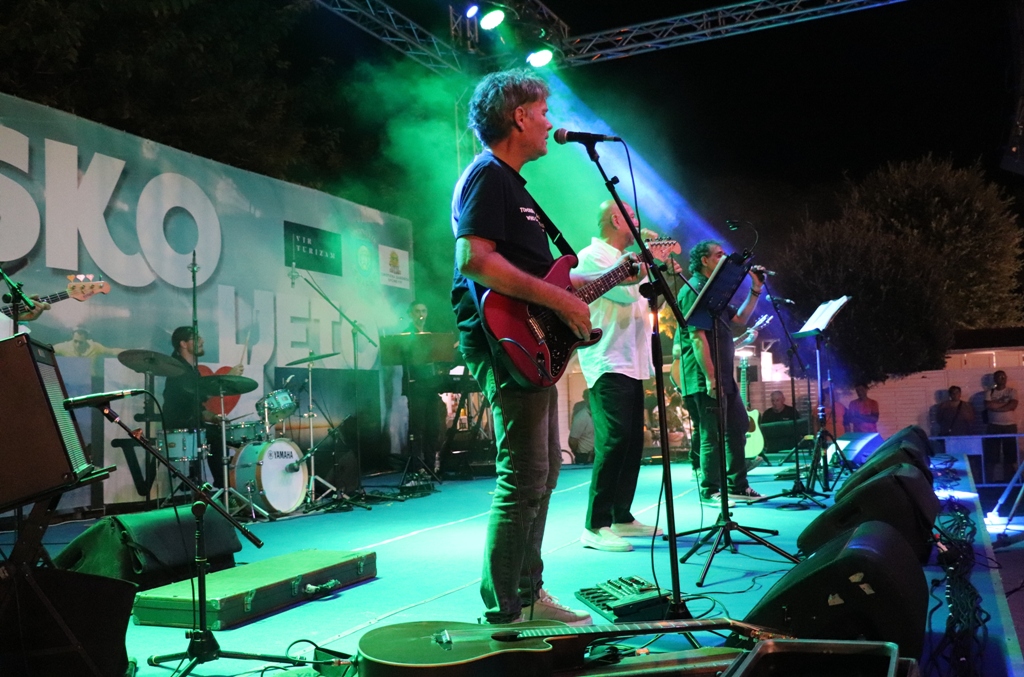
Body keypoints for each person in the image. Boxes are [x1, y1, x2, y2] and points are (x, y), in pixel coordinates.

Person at [451, 69, 637, 626]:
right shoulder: (487, 175)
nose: (550, 122)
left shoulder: (514, 186)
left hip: (526, 338)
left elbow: (543, 276)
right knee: (524, 474)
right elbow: (474, 260)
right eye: (543, 111)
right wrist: (559, 302)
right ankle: (507, 609)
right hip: (502, 338)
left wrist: (592, 286)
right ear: (519, 116)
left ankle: (527, 594)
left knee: (544, 472)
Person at [576, 200, 663, 553]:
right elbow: (624, 294)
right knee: (615, 439)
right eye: (632, 217)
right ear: (616, 219)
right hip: (608, 360)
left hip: (633, 361)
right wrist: (642, 262)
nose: (638, 224)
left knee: (632, 442)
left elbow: (646, 301)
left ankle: (620, 515)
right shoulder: (591, 257)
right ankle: (595, 525)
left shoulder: (629, 260)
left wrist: (653, 268)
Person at [674, 240, 766, 504]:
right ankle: (709, 489)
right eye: (718, 255)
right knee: (711, 434)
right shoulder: (694, 289)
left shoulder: (714, 292)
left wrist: (756, 289)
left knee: (737, 425)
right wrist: (710, 377)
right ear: (704, 260)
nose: (724, 260)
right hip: (703, 376)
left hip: (723, 375)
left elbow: (740, 320)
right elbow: (697, 336)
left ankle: (737, 485)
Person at [162, 326, 243, 487]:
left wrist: (214, 417)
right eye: (196, 338)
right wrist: (227, 377)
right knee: (217, 438)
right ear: (183, 344)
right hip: (180, 424)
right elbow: (196, 396)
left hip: (192, 421)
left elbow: (195, 406)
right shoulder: (178, 369)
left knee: (221, 434)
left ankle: (222, 485)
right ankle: (223, 487)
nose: (202, 341)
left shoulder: (192, 371)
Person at [401, 300, 446, 474]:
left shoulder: (431, 333)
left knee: (433, 427)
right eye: (417, 311)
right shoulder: (406, 334)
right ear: (410, 314)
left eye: (424, 310)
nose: (421, 314)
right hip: (415, 385)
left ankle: (430, 465)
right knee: (417, 427)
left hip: (432, 385)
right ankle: (417, 467)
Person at [985, 371, 1018, 481]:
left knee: (1010, 455)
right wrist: (1006, 405)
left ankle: (1009, 480)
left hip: (1009, 426)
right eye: (999, 376)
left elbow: (1013, 405)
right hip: (993, 426)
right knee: (991, 455)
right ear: (995, 379)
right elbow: (988, 405)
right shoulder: (989, 392)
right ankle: (990, 481)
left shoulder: (1012, 391)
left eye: (1004, 376)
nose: (1002, 378)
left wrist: (996, 408)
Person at [568, 389, 595, 464]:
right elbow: (572, 441)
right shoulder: (581, 417)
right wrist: (577, 454)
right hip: (584, 457)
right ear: (586, 399)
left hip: (595, 455)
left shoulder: (597, 415)